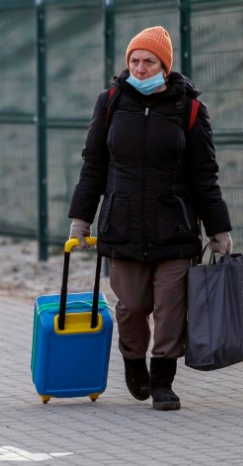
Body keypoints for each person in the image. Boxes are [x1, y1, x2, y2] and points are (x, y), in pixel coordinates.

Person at [68, 26, 232, 412]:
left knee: (171, 306)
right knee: (131, 306)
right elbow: (93, 166)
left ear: (165, 65)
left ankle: (163, 379)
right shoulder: (110, 103)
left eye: (149, 62)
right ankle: (132, 360)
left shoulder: (188, 108)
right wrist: (81, 219)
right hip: (122, 223)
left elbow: (205, 174)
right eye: (135, 61)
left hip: (174, 225)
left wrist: (218, 229)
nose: (140, 69)